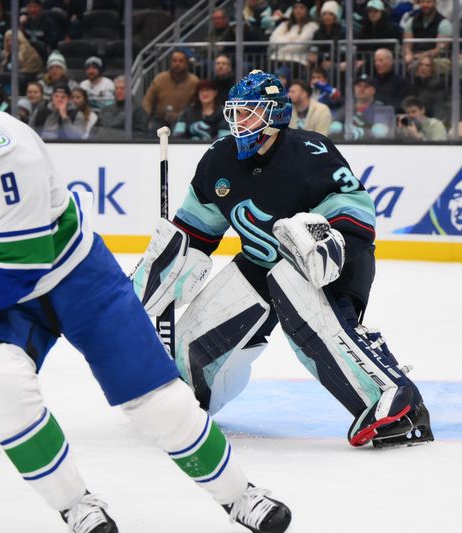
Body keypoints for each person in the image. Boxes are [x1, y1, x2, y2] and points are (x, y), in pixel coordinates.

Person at [0, 39, 292, 533]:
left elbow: (22, 265)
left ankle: (240, 496)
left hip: (76, 277)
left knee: (159, 405)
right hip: (2, 295)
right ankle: (77, 505)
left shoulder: (5, 151)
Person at [134, 70, 433, 450]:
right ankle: (189, 396)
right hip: (259, 264)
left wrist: (326, 243)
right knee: (194, 348)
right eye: (236, 113)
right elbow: (195, 233)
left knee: (301, 291)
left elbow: (354, 213)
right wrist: (155, 277)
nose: (239, 122)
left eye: (249, 113)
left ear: (275, 115)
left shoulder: (310, 152)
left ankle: (396, 399)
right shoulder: (218, 160)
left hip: (328, 264)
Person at [142, 49, 199, 131]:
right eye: (174, 61)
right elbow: (147, 100)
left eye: (180, 61)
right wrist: (147, 118)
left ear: (186, 63)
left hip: (182, 120)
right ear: (170, 63)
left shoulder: (194, 81)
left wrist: (181, 115)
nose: (177, 64)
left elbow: (196, 104)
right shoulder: (160, 78)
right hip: (159, 119)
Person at [329, 74, 394, 140]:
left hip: (373, 146)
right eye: (359, 86)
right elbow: (335, 125)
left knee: (379, 130)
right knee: (335, 126)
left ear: (373, 90)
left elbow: (382, 133)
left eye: (366, 86)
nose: (361, 89)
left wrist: (360, 132)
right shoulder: (348, 107)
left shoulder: (380, 107)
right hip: (349, 145)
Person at [91, 75, 149, 140]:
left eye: (122, 88)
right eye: (117, 88)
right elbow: (94, 131)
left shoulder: (139, 111)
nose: (119, 91)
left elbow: (140, 135)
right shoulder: (105, 110)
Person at [268, 0, 318, 67]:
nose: (298, 10)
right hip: (276, 58)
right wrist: (290, 40)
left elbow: (300, 45)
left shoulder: (312, 26)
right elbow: (272, 41)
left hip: (297, 61)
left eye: (301, 7)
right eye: (295, 7)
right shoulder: (285, 24)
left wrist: (281, 45)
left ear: (307, 10)